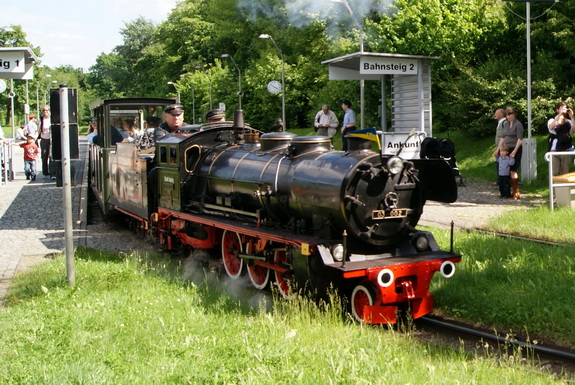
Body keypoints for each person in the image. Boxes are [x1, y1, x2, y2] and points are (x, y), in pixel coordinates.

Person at [493, 107, 523, 199]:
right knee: (506, 171)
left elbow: (519, 139)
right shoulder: (506, 124)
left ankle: (515, 191)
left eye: (510, 115)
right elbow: (503, 137)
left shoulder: (518, 124)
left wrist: (514, 151)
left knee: (513, 170)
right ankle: (506, 191)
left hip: (515, 148)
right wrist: (498, 149)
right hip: (506, 148)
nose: (509, 117)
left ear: (514, 114)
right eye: (507, 115)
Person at [547, 102, 574, 176]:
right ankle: (553, 187)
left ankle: (563, 187)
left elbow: (573, 131)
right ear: (557, 110)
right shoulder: (552, 120)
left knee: (565, 173)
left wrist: (571, 116)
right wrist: (559, 115)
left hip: (566, 149)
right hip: (554, 149)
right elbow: (551, 127)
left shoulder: (569, 122)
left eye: (565, 108)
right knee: (553, 172)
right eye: (562, 108)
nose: (564, 110)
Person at [38, 105, 54, 180]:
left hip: (51, 139)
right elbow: (38, 130)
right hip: (44, 138)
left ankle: (52, 172)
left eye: (47, 110)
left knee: (52, 155)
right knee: (44, 156)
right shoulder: (41, 119)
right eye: (44, 110)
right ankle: (45, 171)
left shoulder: (52, 119)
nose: (45, 112)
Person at [492, 108, 507, 185]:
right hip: (499, 146)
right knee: (499, 163)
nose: (495, 115)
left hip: (503, 147)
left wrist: (502, 147)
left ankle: (502, 181)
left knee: (502, 164)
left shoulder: (504, 122)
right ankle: (499, 180)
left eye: (496, 113)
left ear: (501, 114)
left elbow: (505, 135)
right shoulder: (500, 122)